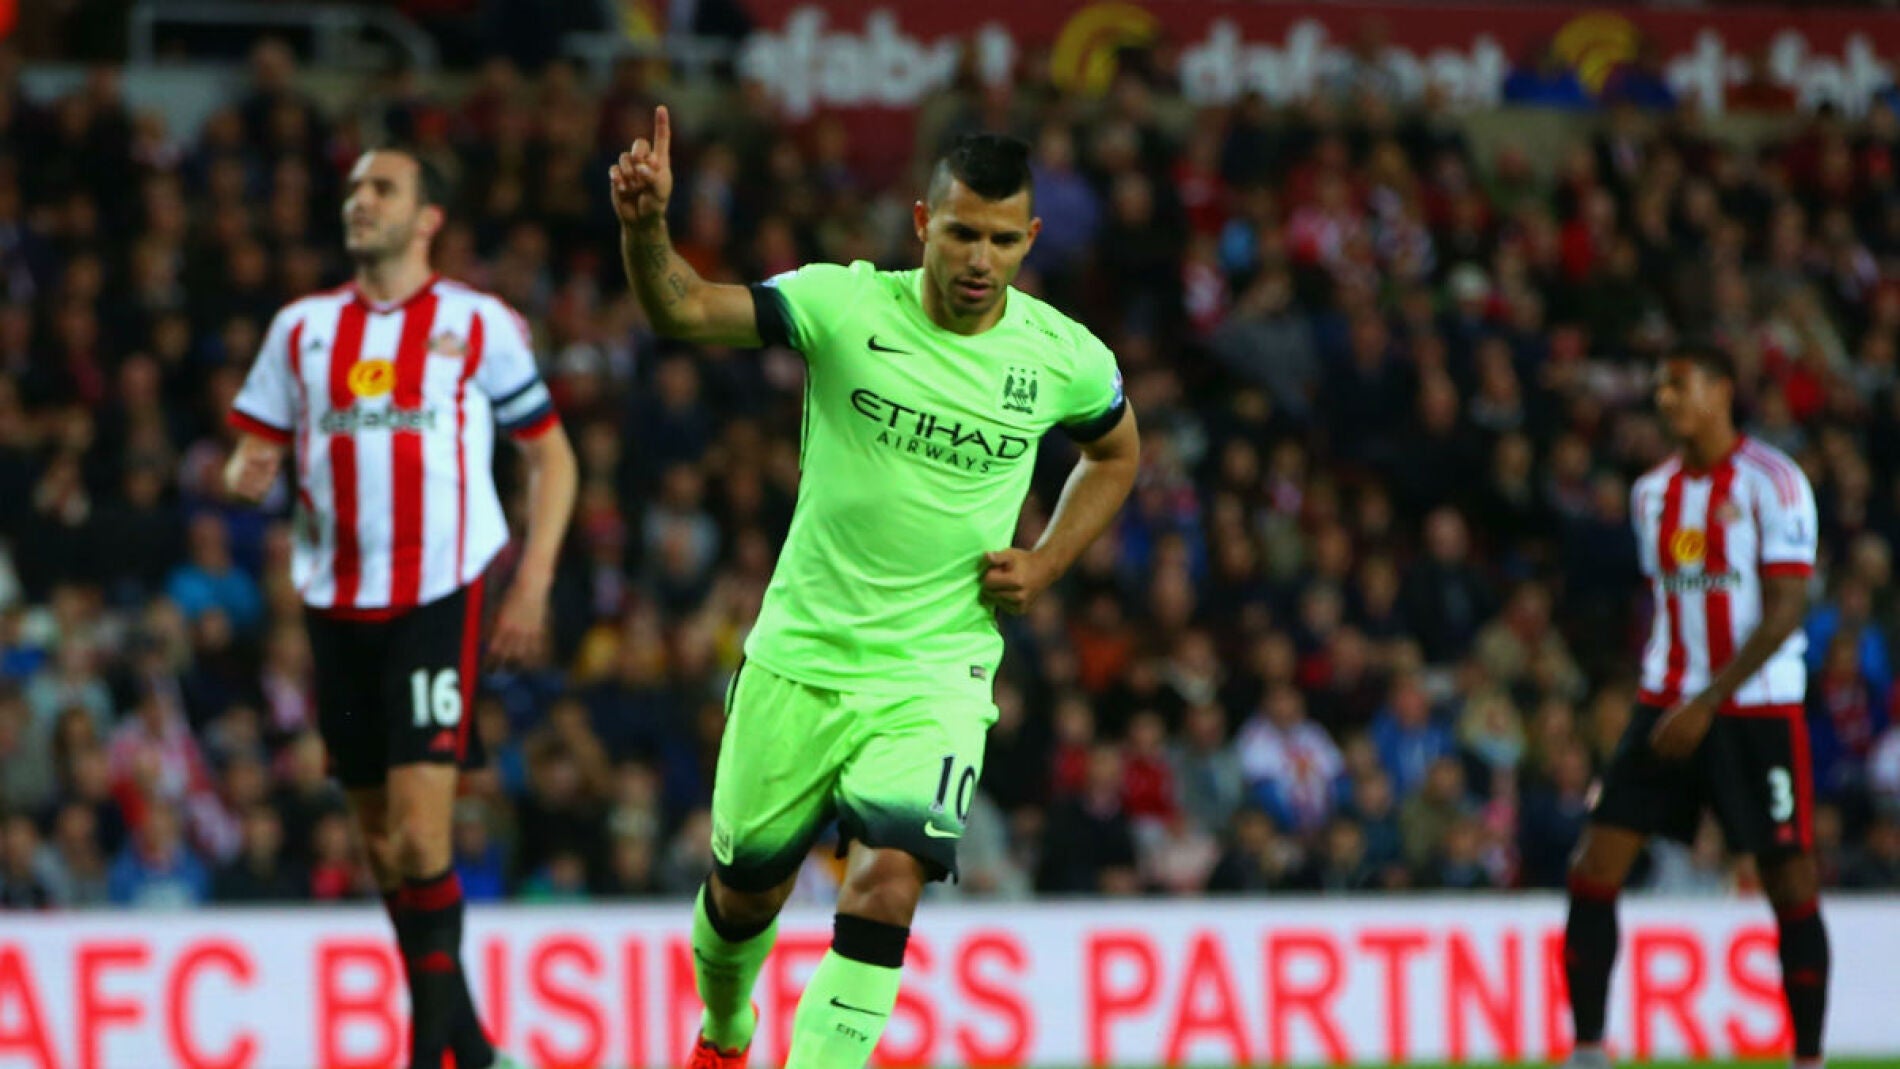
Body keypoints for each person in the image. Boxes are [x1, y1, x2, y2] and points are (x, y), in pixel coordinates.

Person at [611, 108, 1139, 1069]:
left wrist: (1049, 558)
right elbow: (681, 308)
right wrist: (647, 229)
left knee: (888, 878)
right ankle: (725, 1036)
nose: (981, 258)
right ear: (920, 225)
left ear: (1032, 239)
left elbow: (1116, 451)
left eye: (1002, 238)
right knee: (741, 903)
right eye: (962, 232)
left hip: (937, 675)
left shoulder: (1066, 356)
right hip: (799, 662)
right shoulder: (841, 307)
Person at [224, 145, 576, 1069]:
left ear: (428, 218)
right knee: (386, 850)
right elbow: (248, 450)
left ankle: (433, 1060)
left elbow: (553, 456)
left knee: (423, 831)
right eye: (351, 188)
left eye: (382, 188)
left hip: (436, 591)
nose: (359, 200)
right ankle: (477, 1046)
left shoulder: (476, 322)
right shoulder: (300, 330)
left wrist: (530, 582)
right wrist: (243, 473)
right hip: (334, 605)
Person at [1560, 344, 1826, 1069]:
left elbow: (1786, 610)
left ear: (1719, 390)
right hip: (1666, 702)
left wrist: (1709, 700)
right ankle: (1587, 1050)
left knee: (1789, 877)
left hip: (1755, 707)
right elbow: (1673, 604)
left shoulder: (1775, 481)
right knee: (1594, 865)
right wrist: (1665, 698)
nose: (1664, 397)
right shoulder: (1651, 494)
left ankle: (1808, 1056)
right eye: (1658, 387)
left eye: (1678, 385)